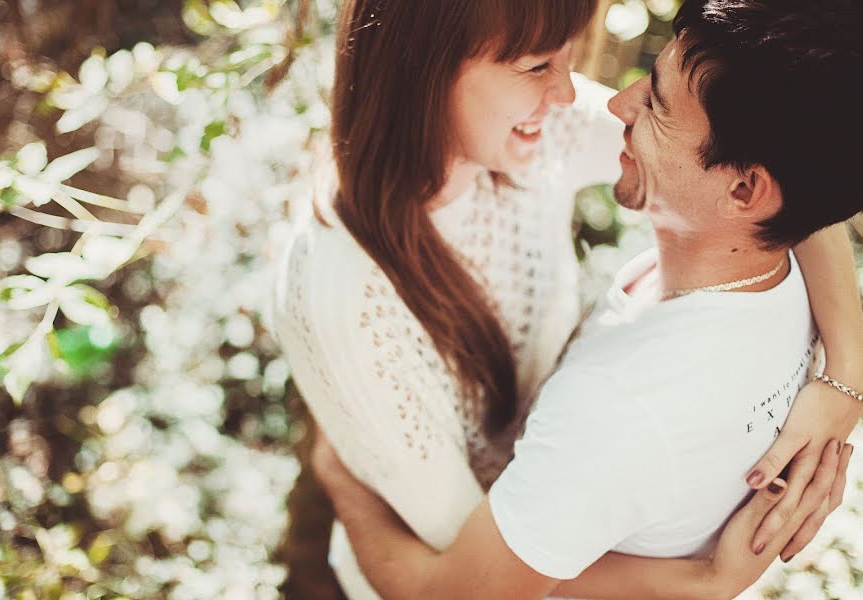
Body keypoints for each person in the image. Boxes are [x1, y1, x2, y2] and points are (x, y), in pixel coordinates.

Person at [276, 0, 863, 597]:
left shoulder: (538, 127)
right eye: (536, 66)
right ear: (422, 69)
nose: (581, 95)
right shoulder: (346, 295)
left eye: (564, 59)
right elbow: (463, 574)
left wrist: (848, 377)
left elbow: (789, 172)